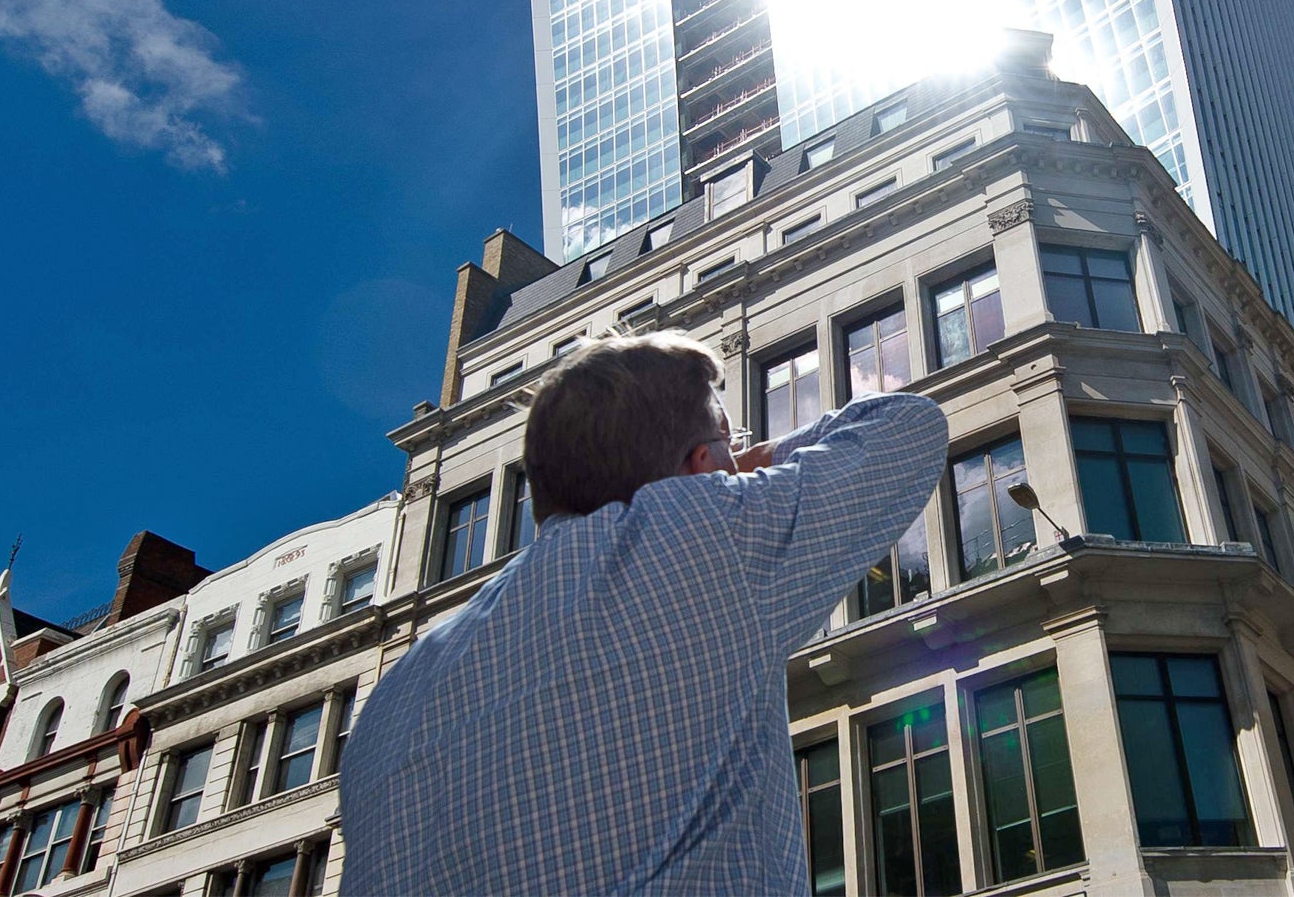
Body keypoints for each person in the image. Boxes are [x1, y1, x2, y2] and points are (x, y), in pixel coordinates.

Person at [338, 330, 948, 896]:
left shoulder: (393, 700)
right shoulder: (700, 539)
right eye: (726, 448)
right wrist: (746, 468)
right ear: (701, 468)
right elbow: (908, 427)